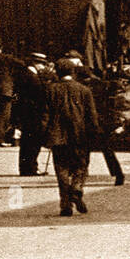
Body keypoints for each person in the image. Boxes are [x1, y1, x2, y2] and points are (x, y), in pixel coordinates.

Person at [42, 58, 102, 217]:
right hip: (80, 134)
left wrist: (45, 135)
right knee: (81, 165)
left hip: (58, 135)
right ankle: (76, 187)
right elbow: (91, 115)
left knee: (61, 169)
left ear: (57, 72)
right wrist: (94, 133)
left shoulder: (50, 90)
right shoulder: (84, 90)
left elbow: (44, 115)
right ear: (73, 72)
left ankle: (65, 203)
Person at [13, 54, 48, 176]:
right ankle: (31, 168)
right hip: (33, 113)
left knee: (27, 141)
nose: (43, 67)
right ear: (35, 63)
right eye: (41, 64)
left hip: (27, 112)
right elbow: (37, 94)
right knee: (33, 141)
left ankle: (27, 167)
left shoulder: (26, 74)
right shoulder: (31, 76)